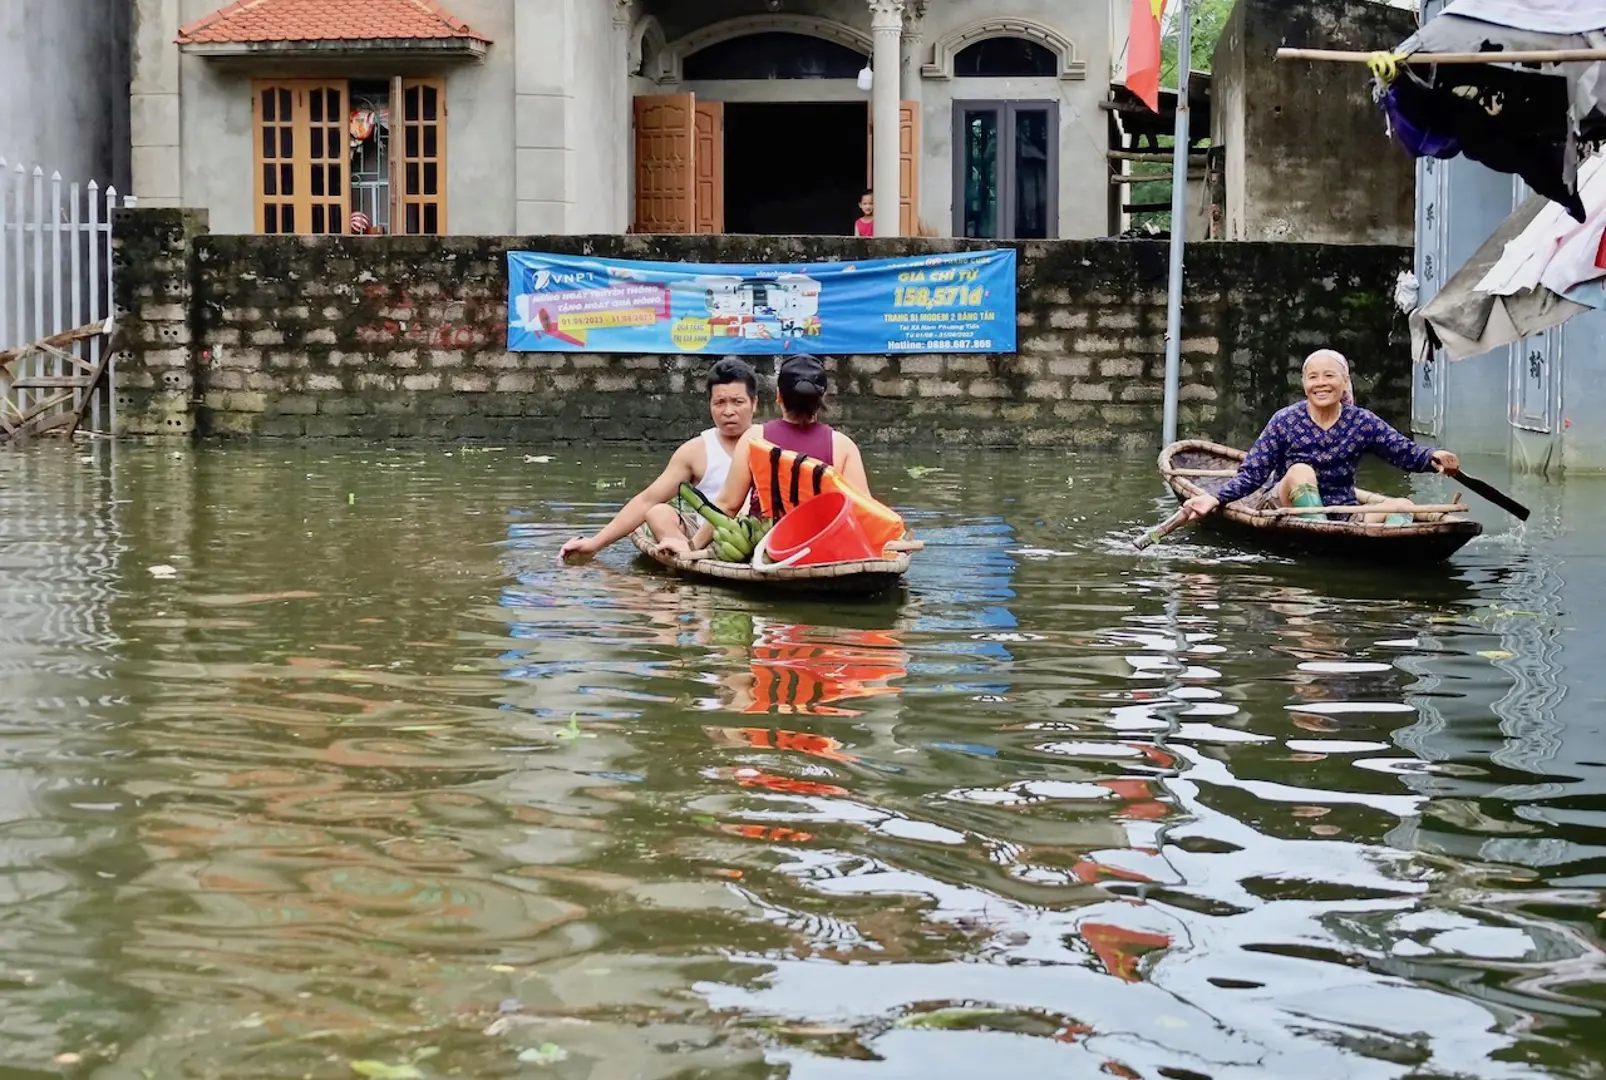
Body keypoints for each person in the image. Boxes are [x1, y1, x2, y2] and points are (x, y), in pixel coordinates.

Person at [1181, 348, 1460, 525]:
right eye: (1313, 377)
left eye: (1329, 376)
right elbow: (1252, 474)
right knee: (1301, 471)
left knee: (1404, 505)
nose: (1321, 383)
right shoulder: (1285, 420)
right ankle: (1319, 527)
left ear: (1344, 383)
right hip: (1286, 507)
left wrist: (1433, 457)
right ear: (1304, 385)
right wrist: (1215, 498)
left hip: (1342, 510)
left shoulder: (1361, 422)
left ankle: (1392, 549)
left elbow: (1404, 452)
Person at [656, 353, 870, 557]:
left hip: (763, 546)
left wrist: (692, 547)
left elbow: (728, 505)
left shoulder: (755, 437)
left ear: (778, 396)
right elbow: (864, 511)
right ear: (822, 396)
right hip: (822, 545)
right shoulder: (843, 445)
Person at [559, 357, 759, 561]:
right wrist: (595, 543)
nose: (728, 411)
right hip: (706, 536)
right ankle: (682, 556)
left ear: (754, 404)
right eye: (719, 403)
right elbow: (647, 499)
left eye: (738, 402)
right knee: (657, 512)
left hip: (758, 535)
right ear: (709, 405)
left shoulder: (771, 440)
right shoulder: (696, 450)